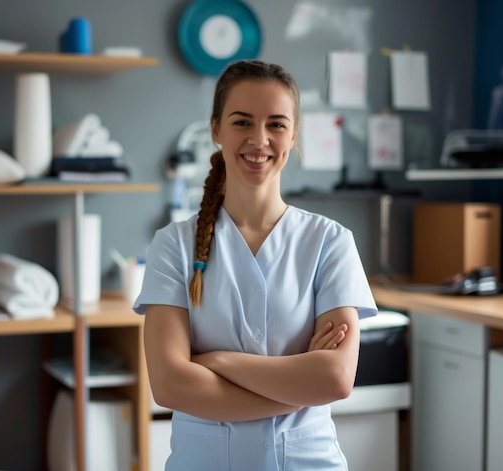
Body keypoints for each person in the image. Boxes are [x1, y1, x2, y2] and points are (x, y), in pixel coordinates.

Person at [133, 59, 377, 471]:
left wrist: (217, 362)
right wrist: (300, 386)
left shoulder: (330, 242)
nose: (259, 139)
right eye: (242, 122)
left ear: (294, 133)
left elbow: (335, 379)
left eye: (276, 124)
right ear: (216, 129)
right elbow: (170, 385)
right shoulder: (173, 245)